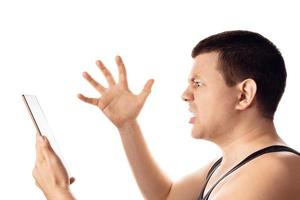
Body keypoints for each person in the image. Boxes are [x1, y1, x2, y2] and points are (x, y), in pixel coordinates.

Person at [32, 30, 300, 200]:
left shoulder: (274, 171)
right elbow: (166, 197)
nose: (185, 94)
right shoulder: (231, 166)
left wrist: (58, 192)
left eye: (198, 83)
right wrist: (128, 126)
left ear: (244, 94)